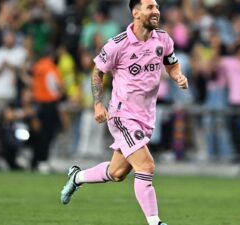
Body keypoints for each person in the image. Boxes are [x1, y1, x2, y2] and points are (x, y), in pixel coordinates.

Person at [60, 1, 188, 225]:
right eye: (150, 7)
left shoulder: (163, 39)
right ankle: (155, 222)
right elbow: (97, 73)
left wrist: (177, 75)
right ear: (136, 13)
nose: (156, 11)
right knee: (146, 165)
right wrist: (98, 104)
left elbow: (171, 62)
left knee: (117, 173)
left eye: (157, 6)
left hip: (146, 116)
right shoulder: (117, 44)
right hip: (122, 115)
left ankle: (76, 177)